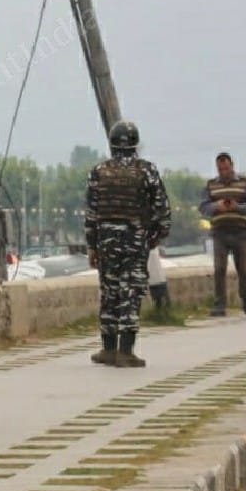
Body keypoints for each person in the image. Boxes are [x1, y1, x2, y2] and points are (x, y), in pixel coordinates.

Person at [84, 121, 171, 367]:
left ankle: (108, 348)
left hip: (106, 240)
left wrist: (92, 245)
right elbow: (162, 209)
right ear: (135, 144)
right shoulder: (146, 171)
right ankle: (126, 350)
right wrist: (156, 235)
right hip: (135, 239)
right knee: (130, 292)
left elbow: (91, 214)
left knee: (110, 291)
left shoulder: (99, 171)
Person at [199, 152, 246, 317]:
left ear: (231, 165)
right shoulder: (210, 185)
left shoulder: (244, 183)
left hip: (240, 231)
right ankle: (220, 304)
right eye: (220, 169)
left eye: (225, 168)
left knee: (243, 269)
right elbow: (203, 207)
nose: (223, 172)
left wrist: (236, 207)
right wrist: (217, 206)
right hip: (219, 231)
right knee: (219, 268)